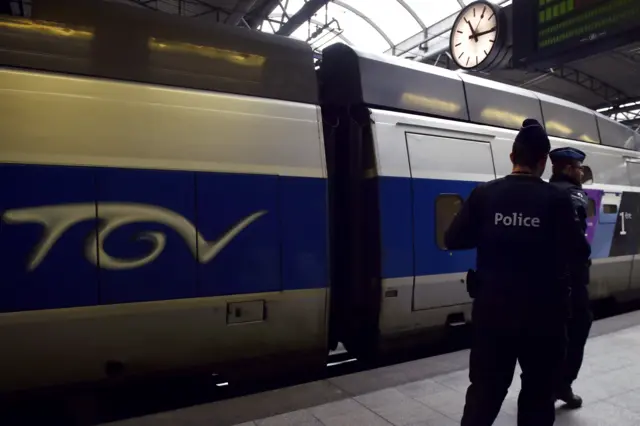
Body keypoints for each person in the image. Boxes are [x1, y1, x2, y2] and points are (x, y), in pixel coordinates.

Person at [445, 118, 591, 426]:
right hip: (544, 316)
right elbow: (580, 252)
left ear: (512, 157)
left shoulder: (484, 195)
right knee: (538, 394)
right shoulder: (557, 200)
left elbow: (453, 239)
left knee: (485, 391)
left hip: (492, 312)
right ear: (542, 162)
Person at [549, 147, 592, 409]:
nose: (581, 173)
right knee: (578, 327)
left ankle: (544, 384)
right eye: (578, 168)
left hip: (545, 278)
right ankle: (563, 385)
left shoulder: (544, 190)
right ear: (568, 169)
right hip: (571, 279)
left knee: (548, 332)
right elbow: (577, 238)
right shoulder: (573, 193)